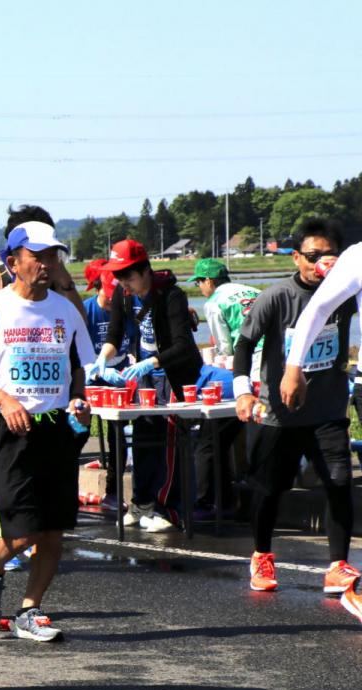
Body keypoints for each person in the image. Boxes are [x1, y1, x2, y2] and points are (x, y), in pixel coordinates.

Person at [0, 221, 95, 642]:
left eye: (53, 256)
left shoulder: (65, 309)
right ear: (13, 262)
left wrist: (78, 402)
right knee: (23, 528)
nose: (49, 264)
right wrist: (4, 399)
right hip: (11, 429)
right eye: (39, 256)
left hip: (56, 430)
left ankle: (30, 611)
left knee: (53, 529)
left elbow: (78, 369)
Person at [232, 218, 357, 598]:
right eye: (312, 255)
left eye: (329, 255)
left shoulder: (346, 294)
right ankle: (261, 554)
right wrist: (243, 392)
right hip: (280, 412)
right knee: (269, 489)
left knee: (339, 482)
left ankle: (337, 566)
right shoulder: (277, 296)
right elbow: (243, 346)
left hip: (329, 410)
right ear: (296, 257)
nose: (320, 263)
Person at [99, 239, 203, 530]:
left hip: (173, 376)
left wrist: (150, 362)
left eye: (128, 276)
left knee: (170, 442)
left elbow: (183, 345)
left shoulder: (171, 296)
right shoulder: (122, 294)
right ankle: (141, 503)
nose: (123, 283)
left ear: (145, 270)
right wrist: (103, 358)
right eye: (118, 277)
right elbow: (115, 334)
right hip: (143, 377)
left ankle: (167, 509)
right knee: (144, 438)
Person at [192, 258, 259, 516]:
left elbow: (225, 348)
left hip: (251, 364)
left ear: (209, 281)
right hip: (278, 359)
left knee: (216, 435)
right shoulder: (253, 291)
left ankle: (210, 501)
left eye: (199, 282)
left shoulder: (214, 302)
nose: (200, 288)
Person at [0, 205, 84, 324]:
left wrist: (65, 282)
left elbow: (81, 323)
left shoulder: (56, 276)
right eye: (36, 254)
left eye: (50, 253)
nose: (45, 264)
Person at [83, 259, 135, 512]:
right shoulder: (87, 312)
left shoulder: (128, 307)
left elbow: (136, 339)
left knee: (119, 433)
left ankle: (113, 492)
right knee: (78, 431)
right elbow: (77, 354)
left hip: (121, 378)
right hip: (92, 380)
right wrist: (92, 371)